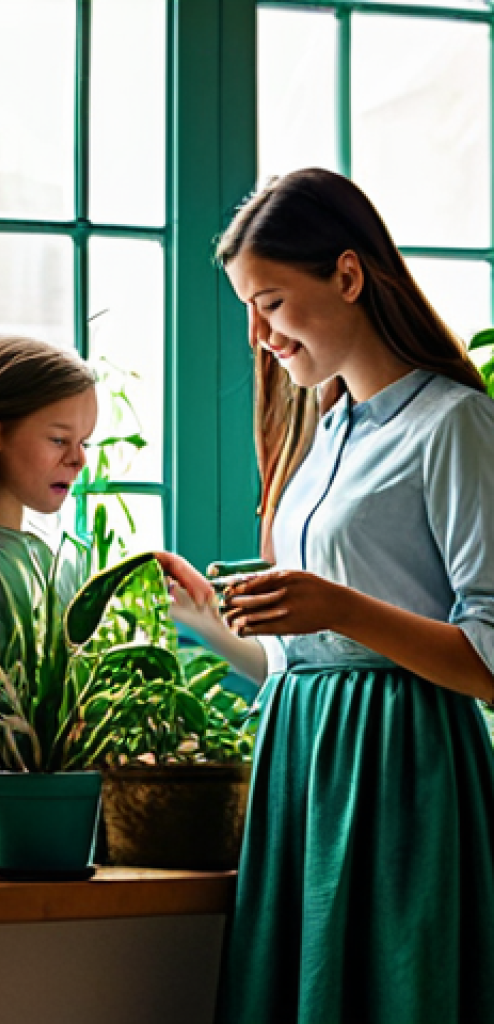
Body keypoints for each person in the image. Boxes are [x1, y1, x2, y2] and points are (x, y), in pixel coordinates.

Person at [175, 167, 494, 1024]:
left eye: (271, 303)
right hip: (302, 754)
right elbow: (308, 661)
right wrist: (205, 619)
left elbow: (491, 658)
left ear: (347, 277)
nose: (259, 334)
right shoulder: (325, 434)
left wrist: (340, 608)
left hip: (407, 766)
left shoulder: (453, 424)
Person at [0, 335, 214, 861]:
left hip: (38, 825)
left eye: (85, 443)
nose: (76, 460)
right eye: (58, 439)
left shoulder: (48, 555)